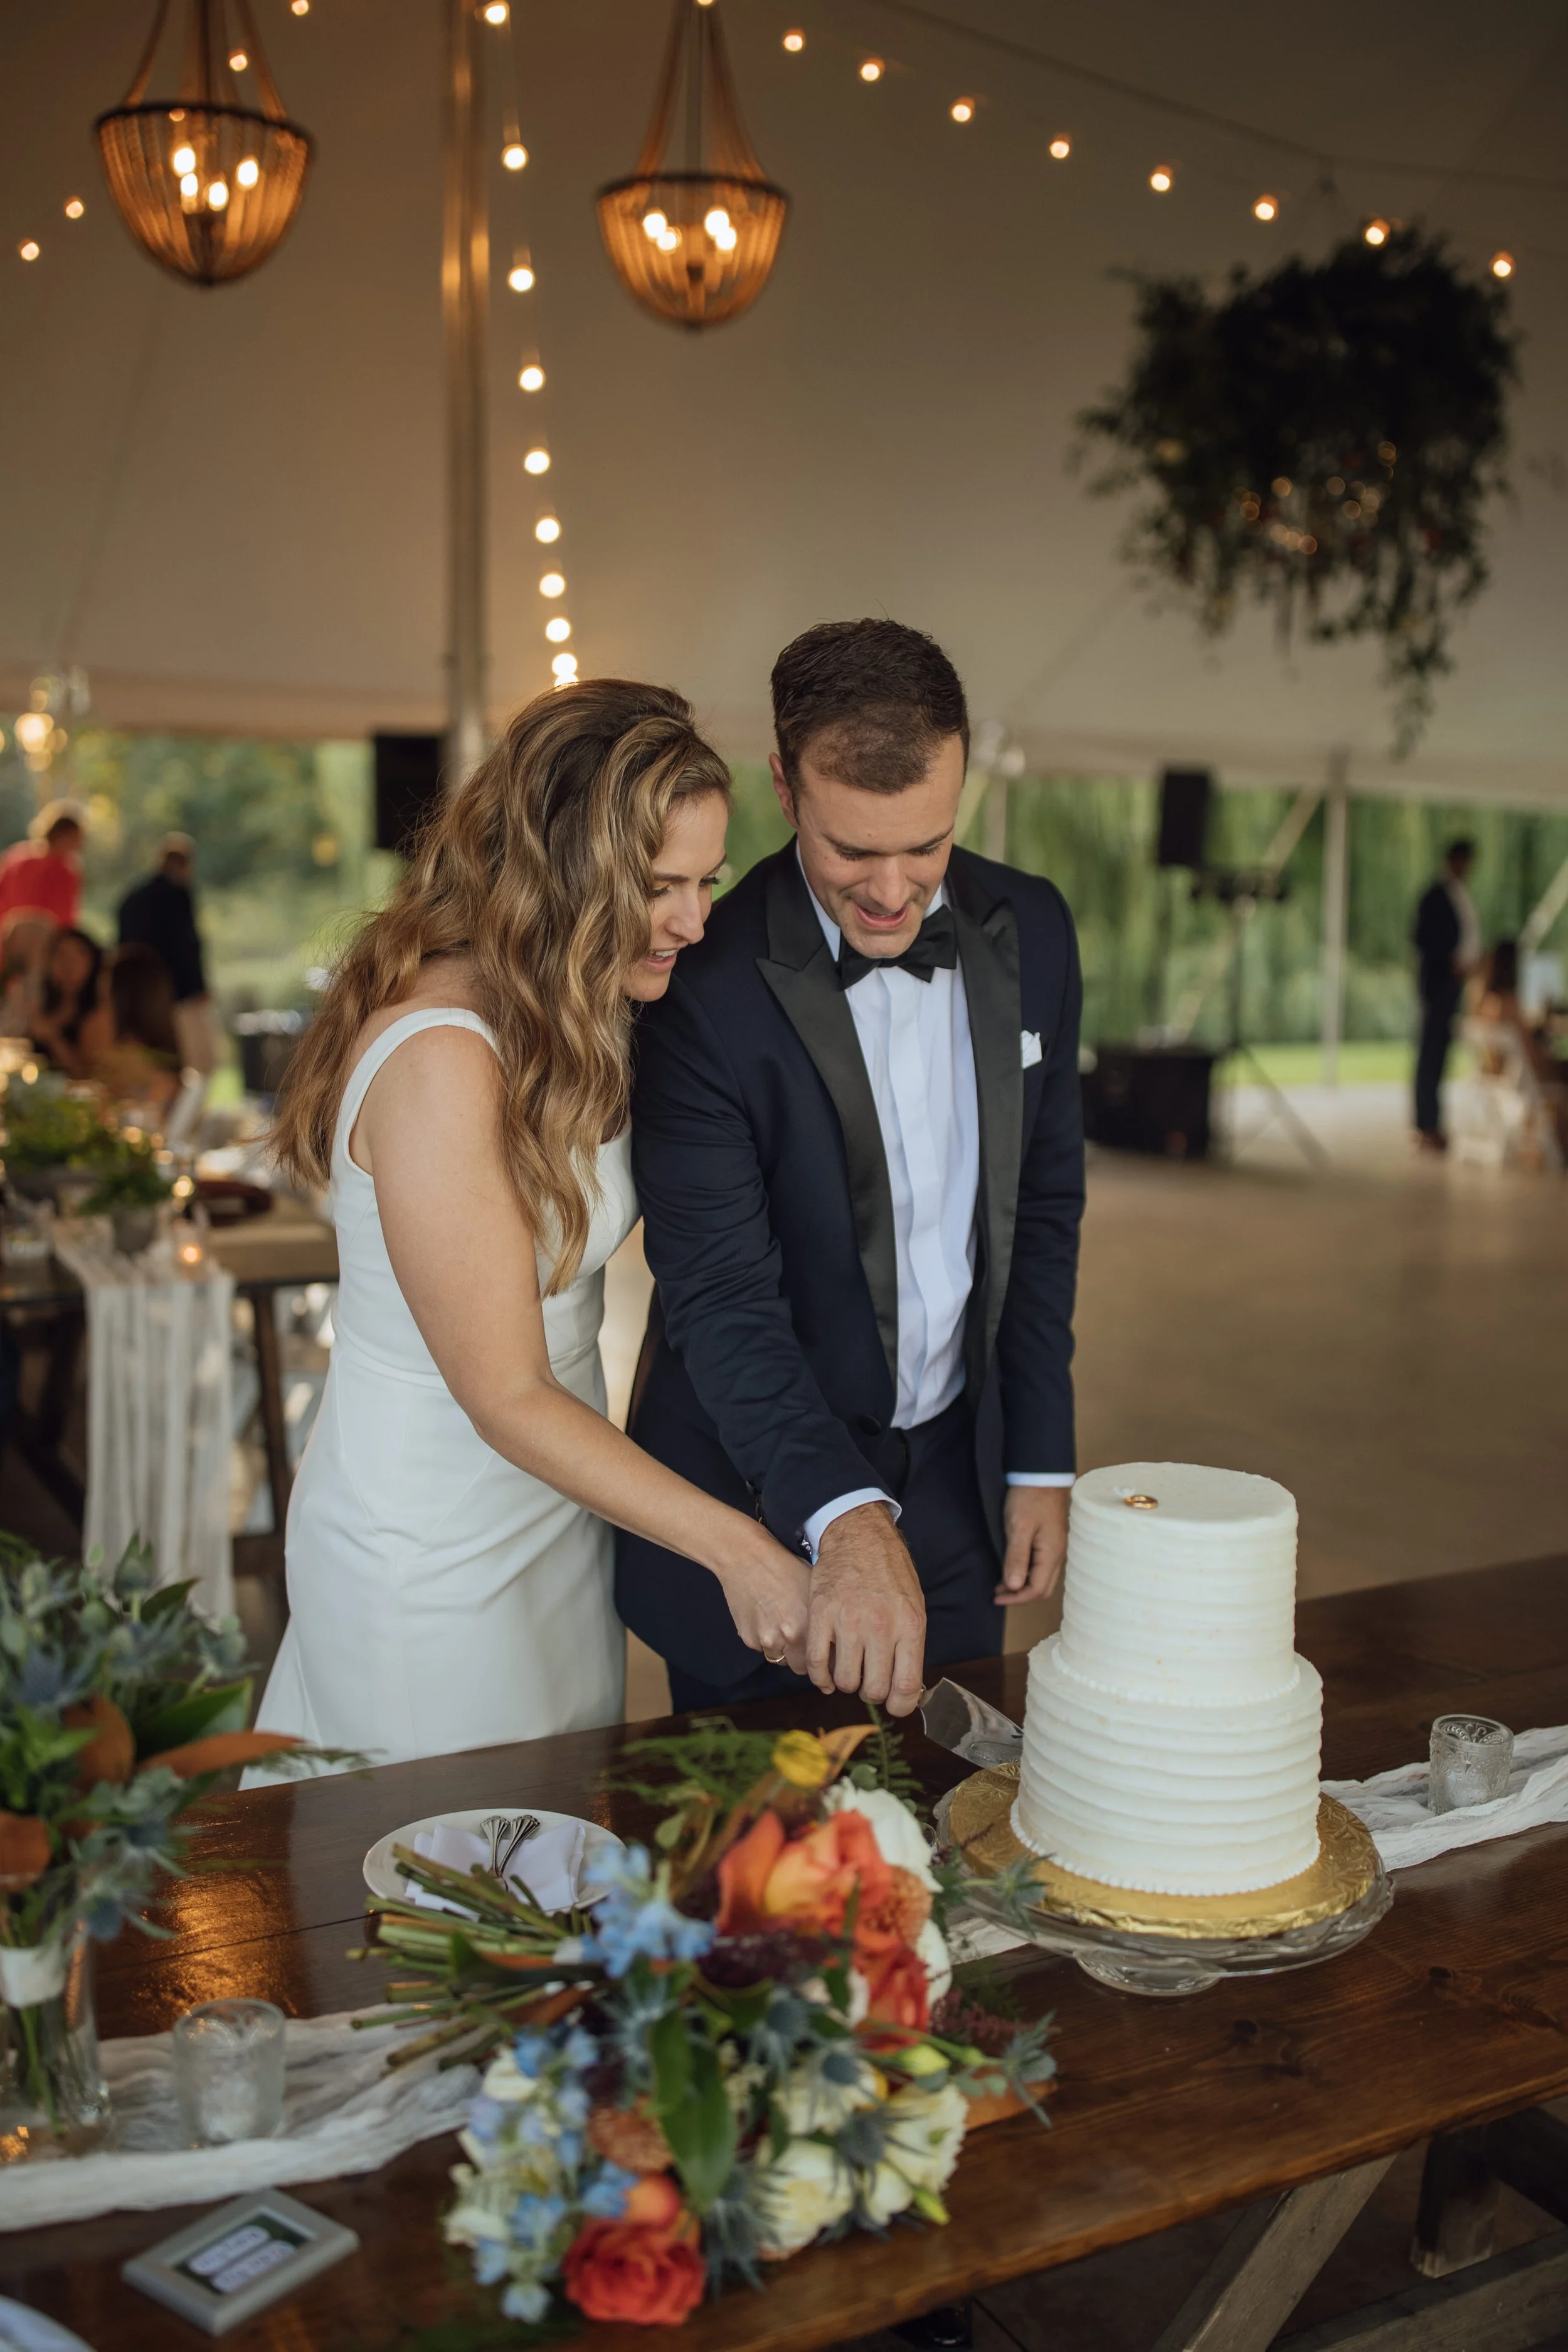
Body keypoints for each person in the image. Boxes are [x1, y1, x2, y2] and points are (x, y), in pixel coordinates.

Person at [251, 681, 813, 1771]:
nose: (695, 921)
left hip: (559, 1507)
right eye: (659, 886)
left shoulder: (584, 1007)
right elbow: (504, 1392)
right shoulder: (442, 1058)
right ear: (563, 873)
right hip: (429, 1542)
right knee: (443, 1856)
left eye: (707, 880)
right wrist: (738, 1548)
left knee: (552, 1836)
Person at [618, 619, 1085, 1718]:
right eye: (853, 852)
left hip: (962, 1499)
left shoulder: (1035, 928)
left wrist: (1038, 1455)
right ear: (785, 788)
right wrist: (843, 1515)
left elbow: (1043, 1204)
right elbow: (720, 1294)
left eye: (926, 846)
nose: (891, 891)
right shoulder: (698, 984)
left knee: (950, 1809)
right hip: (757, 1496)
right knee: (760, 1824)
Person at [117, 833, 218, 1075]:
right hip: (180, 991)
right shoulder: (177, 895)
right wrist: (198, 986)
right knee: (195, 1059)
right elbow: (186, 945)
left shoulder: (133, 898)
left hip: (140, 992)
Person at [1471, 937, 1568, 1161]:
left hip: (1499, 1074)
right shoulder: (1509, 1003)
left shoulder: (1482, 1001)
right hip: (1525, 1075)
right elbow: (1531, 1051)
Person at [1412, 838, 1481, 1151]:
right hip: (1439, 984)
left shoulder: (1458, 894)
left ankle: (1432, 1122)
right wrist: (1450, 962)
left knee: (1440, 1055)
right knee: (1431, 1054)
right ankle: (1426, 1124)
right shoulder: (1435, 896)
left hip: (1453, 984)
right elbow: (1422, 938)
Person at [30, 926, 112, 1078]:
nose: (68, 964)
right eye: (61, 955)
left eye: (78, 955)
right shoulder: (46, 1003)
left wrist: (53, 1038)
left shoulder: (98, 1013)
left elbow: (89, 1074)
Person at [0, 802, 86, 930]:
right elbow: (66, 917)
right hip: (42, 938)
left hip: (9, 935)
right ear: (64, 836)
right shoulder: (64, 870)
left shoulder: (16, 855)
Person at [0, 910, 56, 1036]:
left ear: (31, 943)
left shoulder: (48, 988)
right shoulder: (16, 982)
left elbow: (15, 1030)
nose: (5, 947)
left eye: (11, 939)